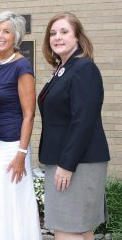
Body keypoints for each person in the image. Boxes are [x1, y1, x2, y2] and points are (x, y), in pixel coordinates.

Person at [38, 12, 110, 240]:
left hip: (77, 161)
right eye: (52, 33)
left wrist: (67, 165)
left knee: (66, 228)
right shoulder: (64, 70)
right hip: (67, 159)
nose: (57, 37)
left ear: (78, 37)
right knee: (79, 228)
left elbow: (83, 120)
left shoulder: (84, 68)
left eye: (64, 32)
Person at [0, 11, 42, 239]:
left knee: (15, 202)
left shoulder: (22, 66)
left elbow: (29, 114)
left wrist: (21, 153)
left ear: (16, 37)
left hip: (12, 146)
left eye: (6, 32)